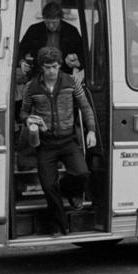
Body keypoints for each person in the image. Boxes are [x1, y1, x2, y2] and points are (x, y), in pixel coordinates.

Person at [20, 46, 98, 235]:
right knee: (48, 186)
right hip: (45, 144)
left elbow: (85, 107)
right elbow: (22, 112)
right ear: (41, 67)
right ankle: (60, 224)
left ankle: (68, 189)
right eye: (47, 67)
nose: (51, 71)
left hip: (68, 140)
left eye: (54, 67)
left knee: (82, 174)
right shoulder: (31, 87)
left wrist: (92, 131)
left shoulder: (71, 82)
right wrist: (27, 119)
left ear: (60, 65)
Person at [17, 1, 85, 80]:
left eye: (54, 22)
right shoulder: (34, 30)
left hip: (63, 77)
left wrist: (77, 62)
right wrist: (21, 62)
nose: (51, 26)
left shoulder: (71, 31)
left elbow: (83, 55)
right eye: (47, 22)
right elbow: (20, 50)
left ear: (60, 18)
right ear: (43, 19)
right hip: (37, 76)